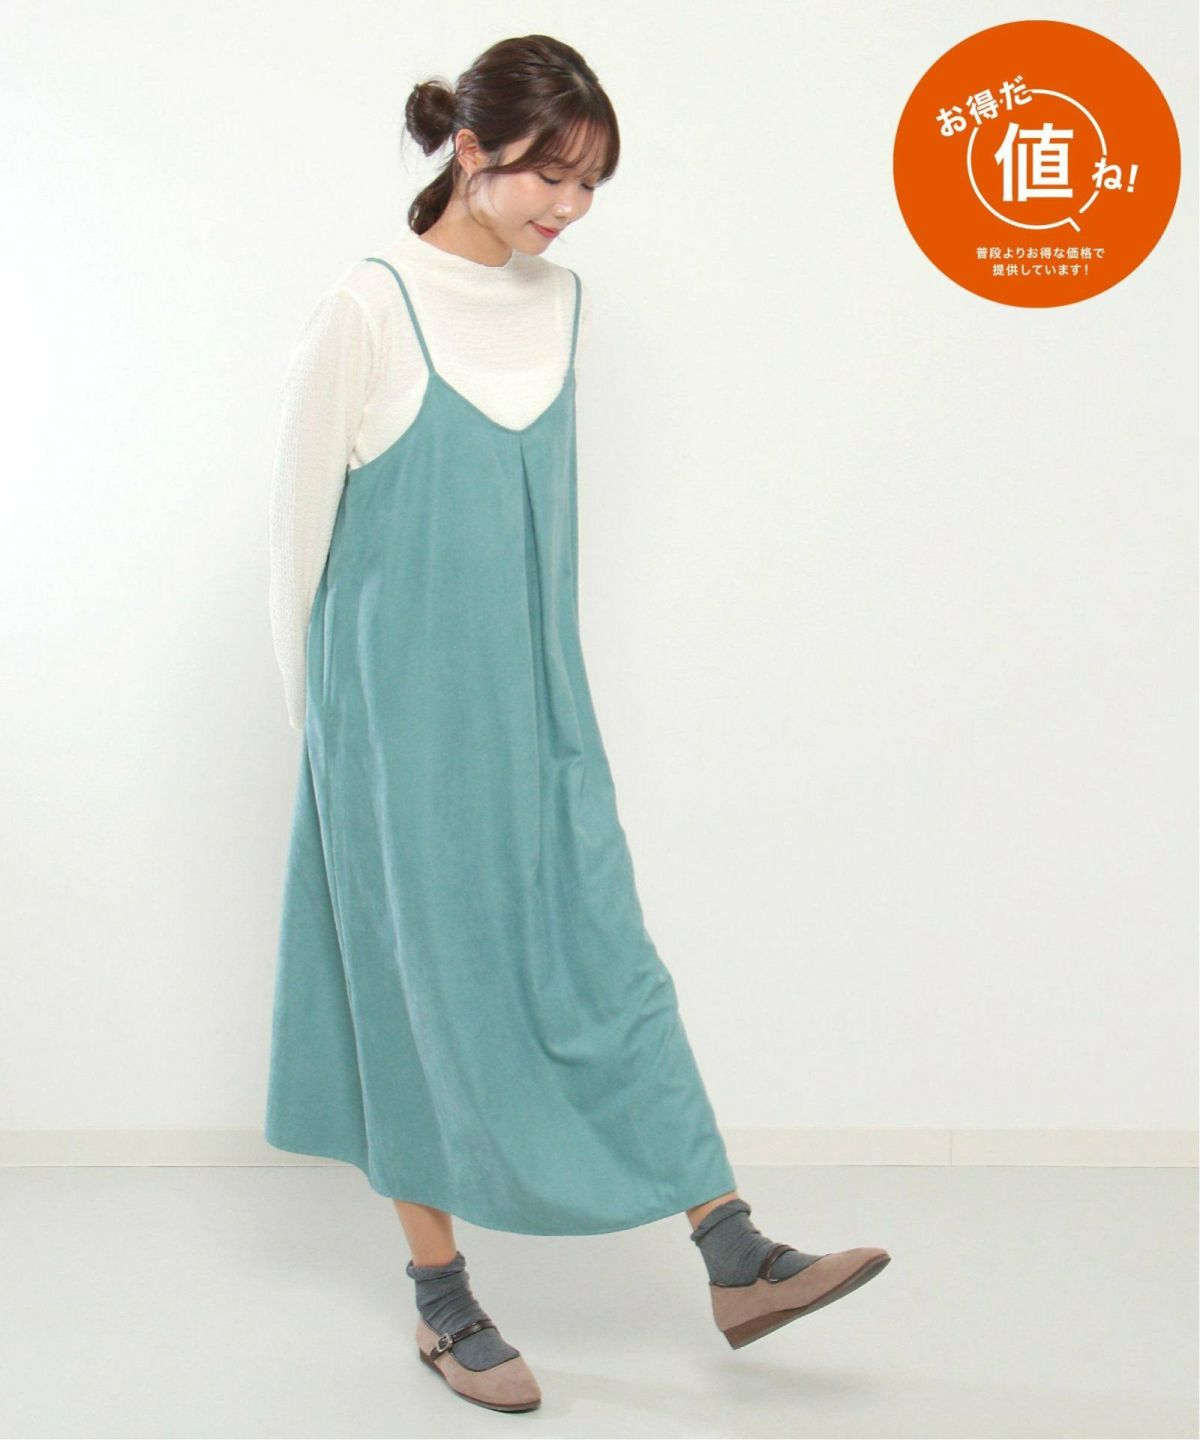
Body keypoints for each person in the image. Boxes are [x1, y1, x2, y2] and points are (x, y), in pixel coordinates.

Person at [264, 33, 889, 1414]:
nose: (570, 206)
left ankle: (733, 1251)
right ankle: (442, 1300)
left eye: (592, 182)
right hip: (390, 734)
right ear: (470, 150)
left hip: (538, 701)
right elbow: (293, 542)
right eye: (551, 174)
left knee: (604, 951)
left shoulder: (564, 304)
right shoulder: (368, 310)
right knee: (418, 996)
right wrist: (328, 757)